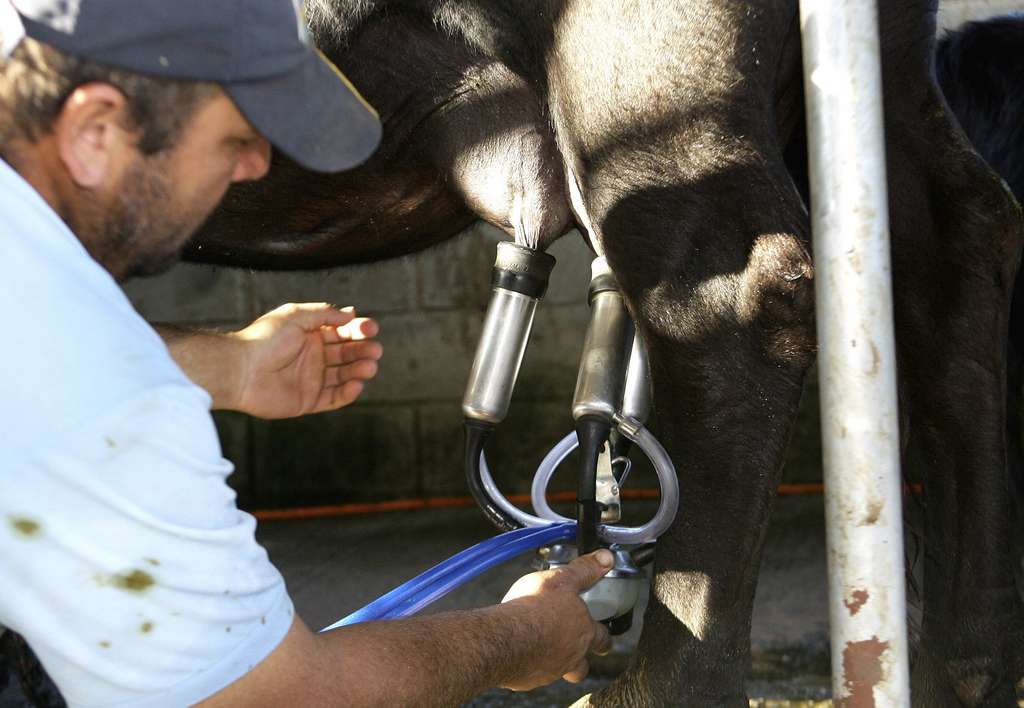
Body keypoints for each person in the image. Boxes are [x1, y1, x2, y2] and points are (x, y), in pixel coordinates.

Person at [0, 1, 613, 706]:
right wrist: (525, 635)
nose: (259, 163)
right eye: (235, 137)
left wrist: (227, 366)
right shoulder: (112, 405)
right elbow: (284, 698)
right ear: (94, 131)